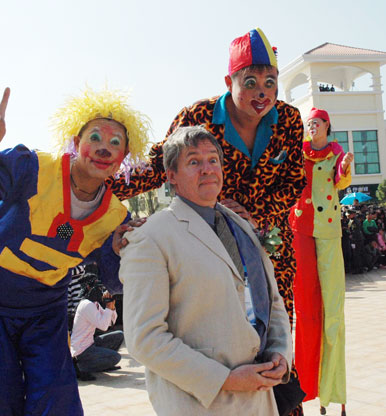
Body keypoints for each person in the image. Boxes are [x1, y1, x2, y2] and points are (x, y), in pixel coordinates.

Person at [109, 29, 306, 414]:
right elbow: (156, 165)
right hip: (202, 240)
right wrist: (100, 195)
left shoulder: (290, 120)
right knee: (218, 334)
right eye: (250, 83)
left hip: (264, 243)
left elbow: (294, 180)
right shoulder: (197, 117)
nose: (262, 94)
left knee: (274, 337)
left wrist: (257, 216)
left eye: (271, 83)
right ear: (228, 82)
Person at [0, 81, 150, 416]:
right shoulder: (33, 167)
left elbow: (113, 279)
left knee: (57, 398)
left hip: (45, 312)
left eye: (115, 144)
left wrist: (130, 250)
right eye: (95, 137)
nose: (104, 148)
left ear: (121, 160)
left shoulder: (114, 217)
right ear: (76, 142)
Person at [120, 126, 292, 415]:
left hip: (260, 400)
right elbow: (144, 338)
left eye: (213, 159)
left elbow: (272, 302)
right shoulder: (151, 237)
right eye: (194, 162)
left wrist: (281, 354)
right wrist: (224, 379)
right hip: (200, 403)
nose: (207, 169)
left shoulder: (243, 226)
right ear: (171, 176)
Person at [289, 108, 353, 416]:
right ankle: (304, 389)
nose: (311, 127)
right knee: (305, 309)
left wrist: (346, 167)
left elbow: (340, 180)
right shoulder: (297, 150)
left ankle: (332, 391)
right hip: (300, 226)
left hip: (328, 228)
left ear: (327, 125)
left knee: (333, 312)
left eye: (316, 123)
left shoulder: (336, 151)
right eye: (309, 123)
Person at [70, 272, 123, 381]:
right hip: (82, 351)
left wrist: (111, 307)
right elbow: (103, 326)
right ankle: (82, 367)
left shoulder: (94, 304)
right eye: (96, 287)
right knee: (115, 357)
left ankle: (100, 363)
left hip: (90, 344)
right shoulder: (86, 305)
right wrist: (108, 307)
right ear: (88, 287)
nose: (99, 290)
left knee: (119, 335)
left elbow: (110, 322)